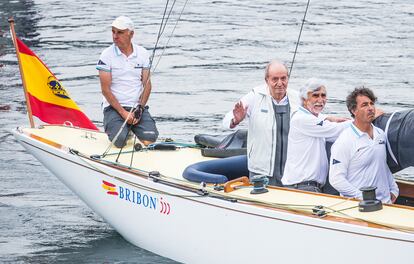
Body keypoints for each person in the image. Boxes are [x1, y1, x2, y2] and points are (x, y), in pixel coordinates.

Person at [222, 60, 299, 186]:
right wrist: (236, 120)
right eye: (275, 79)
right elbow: (226, 120)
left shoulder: (297, 98)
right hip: (261, 172)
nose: (280, 83)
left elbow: (314, 119)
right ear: (266, 80)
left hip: (291, 172)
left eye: (283, 78)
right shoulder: (255, 96)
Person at [97, 16, 158, 148]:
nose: (115, 36)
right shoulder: (106, 55)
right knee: (120, 141)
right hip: (113, 108)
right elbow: (105, 90)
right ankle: (124, 131)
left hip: (136, 107)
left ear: (131, 34)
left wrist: (140, 108)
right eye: (113, 31)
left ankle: (131, 128)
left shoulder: (142, 53)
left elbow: (147, 84)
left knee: (150, 138)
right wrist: (123, 113)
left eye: (120, 32)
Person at [329, 87, 399, 203]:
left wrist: (394, 189)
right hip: (358, 207)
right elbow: (336, 179)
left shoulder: (380, 135)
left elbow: (381, 165)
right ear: (353, 110)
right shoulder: (344, 141)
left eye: (372, 103)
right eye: (365, 105)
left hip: (385, 204)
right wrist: (361, 197)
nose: (370, 108)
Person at [282, 78, 351, 192]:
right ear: (304, 99)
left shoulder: (313, 119)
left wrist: (330, 118)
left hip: (310, 186)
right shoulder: (301, 119)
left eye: (323, 95)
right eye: (315, 95)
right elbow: (335, 130)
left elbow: (334, 132)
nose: (320, 100)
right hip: (302, 187)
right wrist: (361, 119)